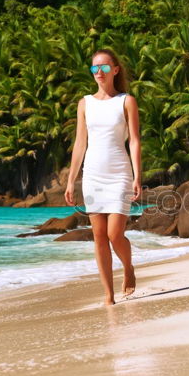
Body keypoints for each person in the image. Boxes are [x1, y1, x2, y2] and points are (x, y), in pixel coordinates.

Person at [64, 48, 142, 306]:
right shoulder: (85, 103)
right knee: (98, 235)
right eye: (95, 68)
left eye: (105, 67)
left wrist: (137, 176)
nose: (99, 72)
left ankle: (128, 267)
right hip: (93, 175)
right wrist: (71, 179)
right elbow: (80, 144)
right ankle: (108, 295)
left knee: (114, 233)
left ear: (115, 70)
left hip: (119, 173)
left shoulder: (126, 101)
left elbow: (134, 141)